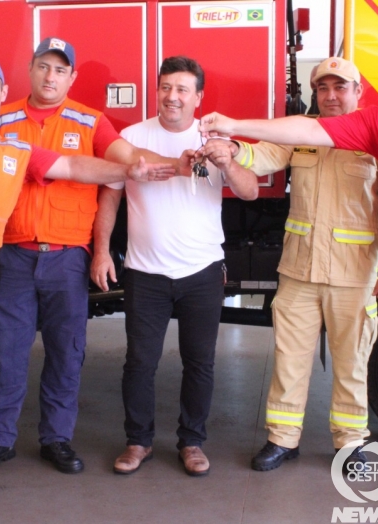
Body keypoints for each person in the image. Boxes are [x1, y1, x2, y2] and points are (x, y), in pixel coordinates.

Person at [200, 23, 378, 505]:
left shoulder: (375, 134)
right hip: (300, 271)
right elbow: (263, 151)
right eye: (322, 87)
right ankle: (282, 439)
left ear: (358, 91)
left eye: (340, 87)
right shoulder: (311, 136)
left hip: (355, 274)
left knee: (354, 363)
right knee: (289, 361)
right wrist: (230, 147)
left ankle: (351, 445)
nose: (331, 95)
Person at [0, 55, 173, 505]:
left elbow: (76, 167)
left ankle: (53, 440)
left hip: (47, 263)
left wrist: (134, 171)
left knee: (61, 354)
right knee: (7, 354)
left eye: (59, 69)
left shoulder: (48, 136)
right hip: (6, 259)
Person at [91, 56, 258, 477]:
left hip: (201, 271)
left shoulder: (217, 138)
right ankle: (138, 441)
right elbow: (109, 197)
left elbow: (251, 190)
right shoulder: (130, 137)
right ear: (158, 91)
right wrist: (100, 251)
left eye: (183, 89)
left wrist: (227, 162)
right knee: (139, 362)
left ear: (198, 97)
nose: (172, 96)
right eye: (166, 87)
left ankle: (192, 442)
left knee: (200, 362)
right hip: (146, 272)